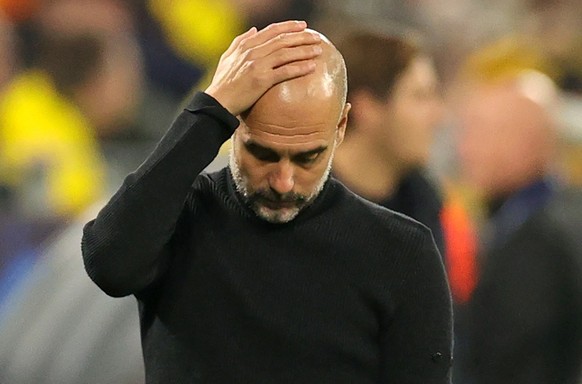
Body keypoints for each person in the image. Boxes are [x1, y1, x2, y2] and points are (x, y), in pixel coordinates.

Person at [82, 21, 452, 383]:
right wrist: (210, 109)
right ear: (233, 126)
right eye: (263, 153)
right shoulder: (180, 218)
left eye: (307, 157)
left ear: (341, 127)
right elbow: (109, 262)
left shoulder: (401, 252)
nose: (283, 181)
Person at [455, 47, 582, 383]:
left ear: (526, 140)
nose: (465, 149)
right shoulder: (522, 217)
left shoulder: (545, 239)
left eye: (479, 131)